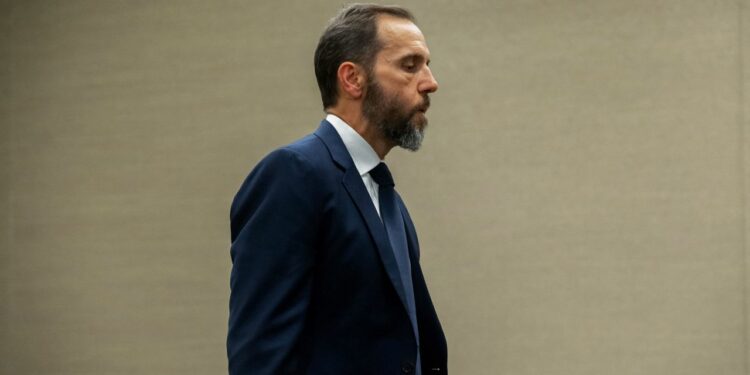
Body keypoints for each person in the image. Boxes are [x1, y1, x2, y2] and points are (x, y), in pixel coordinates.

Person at [227, 4, 446, 374]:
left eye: (426, 65)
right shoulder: (292, 174)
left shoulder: (386, 195)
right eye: (410, 66)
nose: (430, 82)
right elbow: (261, 357)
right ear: (352, 79)